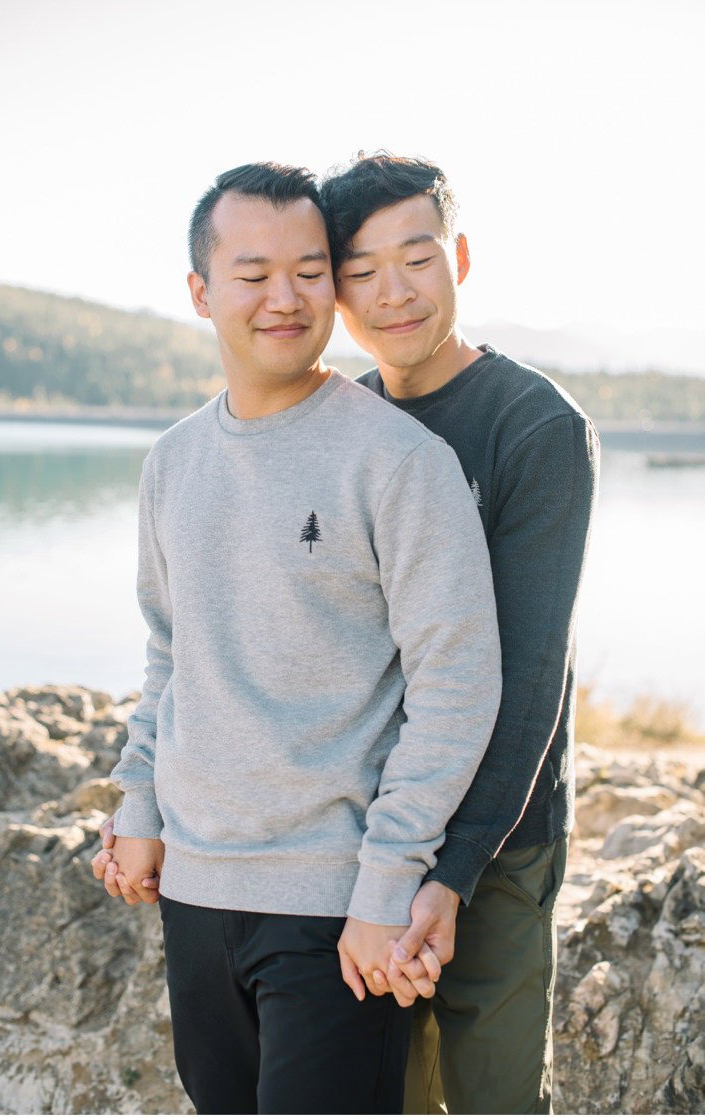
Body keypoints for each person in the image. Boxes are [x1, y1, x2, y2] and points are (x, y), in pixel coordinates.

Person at [104, 162, 503, 1113]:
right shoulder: (173, 461)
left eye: (311, 270)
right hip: (196, 891)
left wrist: (386, 884)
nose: (284, 298)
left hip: (335, 905)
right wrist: (138, 803)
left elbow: (457, 684)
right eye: (252, 274)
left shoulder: (402, 461)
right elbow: (170, 654)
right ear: (201, 292)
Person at [320, 153, 599, 1114]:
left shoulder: (535, 426)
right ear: (336, 287)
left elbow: (530, 681)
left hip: (500, 842)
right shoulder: (344, 423)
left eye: (417, 258)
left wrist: (453, 870)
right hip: (370, 836)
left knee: (495, 1099)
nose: (393, 293)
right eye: (361, 269)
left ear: (461, 258)